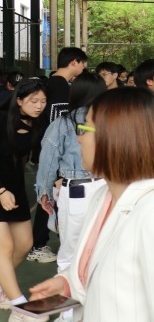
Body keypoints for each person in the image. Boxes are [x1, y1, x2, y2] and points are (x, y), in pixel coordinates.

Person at [28, 87, 154, 321]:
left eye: (85, 129)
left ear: (116, 137)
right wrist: (65, 283)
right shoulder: (103, 196)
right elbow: (96, 267)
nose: (79, 138)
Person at [35, 71, 107, 273]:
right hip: (107, 188)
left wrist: (44, 193)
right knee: (102, 246)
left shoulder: (63, 123)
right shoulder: (111, 121)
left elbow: (48, 161)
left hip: (76, 191)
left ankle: (69, 300)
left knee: (70, 251)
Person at [29, 47, 88, 264]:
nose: (83, 68)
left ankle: (41, 242)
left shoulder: (53, 83)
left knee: (51, 198)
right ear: (74, 62)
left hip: (51, 151)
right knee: (48, 197)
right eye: (83, 63)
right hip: (54, 153)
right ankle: (38, 245)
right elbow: (59, 125)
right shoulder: (60, 87)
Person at [0, 79, 47, 311]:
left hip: (16, 188)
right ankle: (19, 305)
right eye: (33, 101)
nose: (39, 106)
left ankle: (2, 285)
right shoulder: (1, 120)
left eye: (43, 101)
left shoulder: (38, 124)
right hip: (0, 188)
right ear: (19, 100)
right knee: (4, 247)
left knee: (25, 244)